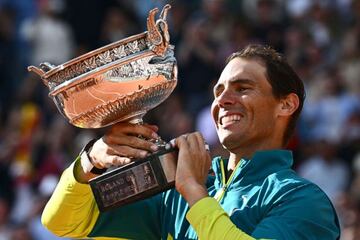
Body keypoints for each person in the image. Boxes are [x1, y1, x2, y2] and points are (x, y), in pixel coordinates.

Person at [41, 44, 340, 239]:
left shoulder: (303, 200)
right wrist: (91, 161)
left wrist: (195, 193)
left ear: (286, 105)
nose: (223, 99)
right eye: (218, 91)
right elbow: (62, 222)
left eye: (243, 87)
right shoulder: (176, 195)